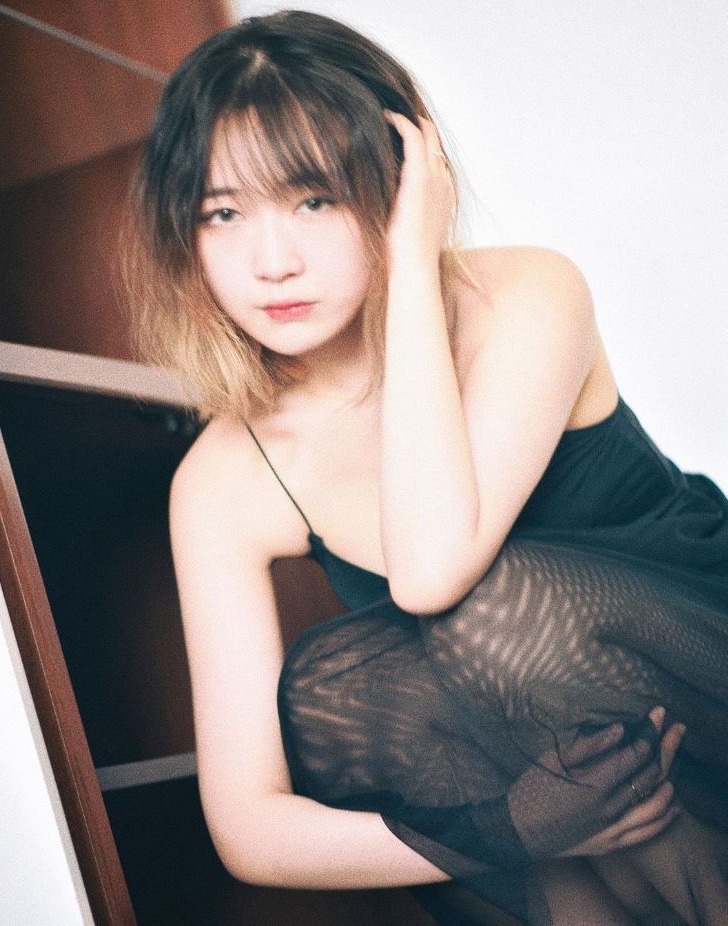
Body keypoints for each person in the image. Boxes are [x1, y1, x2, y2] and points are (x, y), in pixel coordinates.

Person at [122, 10, 728, 925]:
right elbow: (249, 829)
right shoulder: (224, 479)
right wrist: (507, 830)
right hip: (590, 805)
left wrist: (409, 267)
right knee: (336, 693)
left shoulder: (521, 294)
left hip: (702, 676)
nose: (272, 262)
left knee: (481, 613)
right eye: (223, 213)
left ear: (403, 179)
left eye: (316, 200)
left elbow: (432, 572)